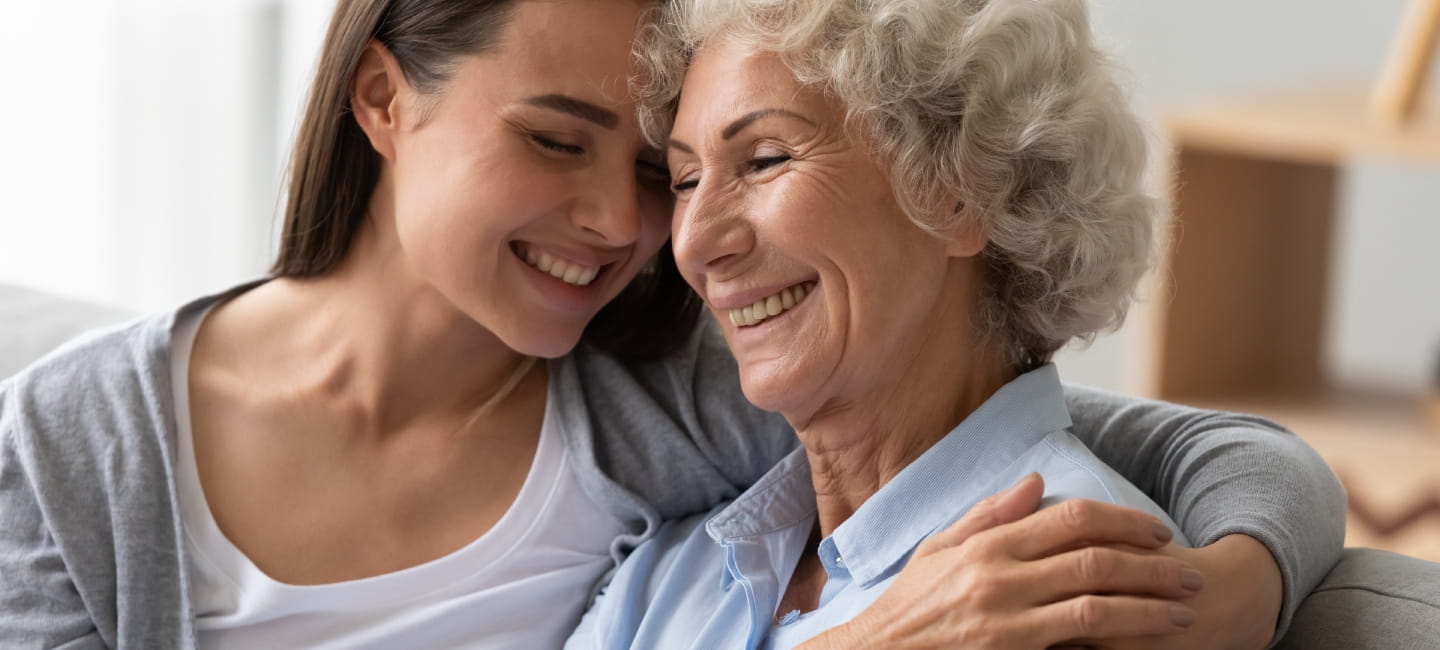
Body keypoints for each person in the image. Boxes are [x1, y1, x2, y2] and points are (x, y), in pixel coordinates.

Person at [0, 0, 1341, 648]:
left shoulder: (693, 416)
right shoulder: (698, 553)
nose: (663, 236)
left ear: (959, 190)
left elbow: (1182, 445)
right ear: (381, 100)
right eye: (684, 174)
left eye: (725, 164)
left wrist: (1230, 580)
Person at [566, 0, 1340, 648]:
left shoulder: (1065, 587)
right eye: (686, 179)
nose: (695, 242)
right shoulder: (675, 568)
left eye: (765, 159)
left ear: (957, 191)